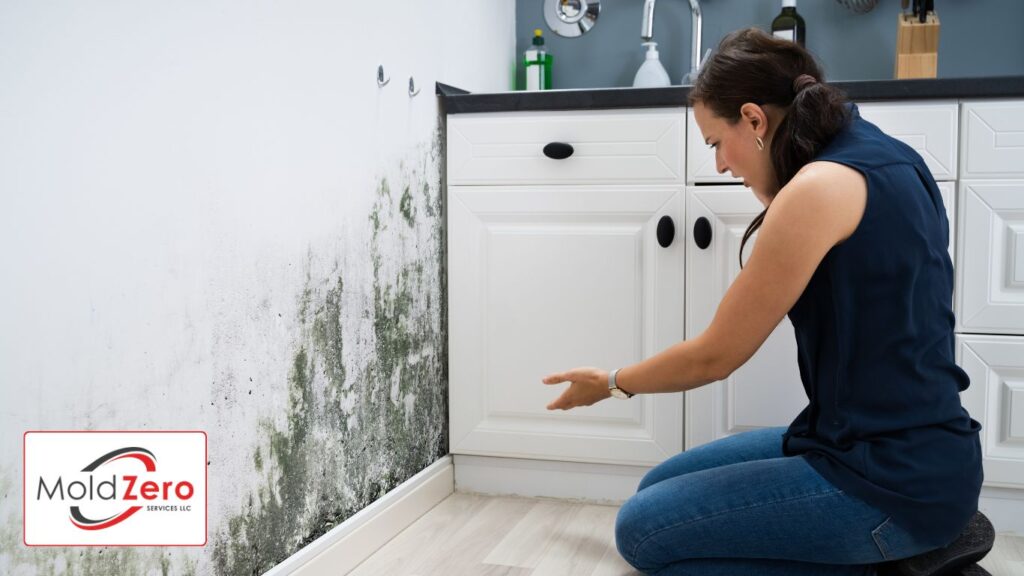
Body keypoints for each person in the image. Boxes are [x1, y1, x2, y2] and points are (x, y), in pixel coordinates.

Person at [540, 28, 994, 576]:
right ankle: (916, 546)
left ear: (755, 120)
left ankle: (899, 562)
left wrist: (611, 382)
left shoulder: (816, 189)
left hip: (888, 482)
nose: (720, 166)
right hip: (889, 450)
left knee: (644, 533)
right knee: (656, 488)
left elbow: (716, 355)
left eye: (714, 143)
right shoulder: (882, 154)